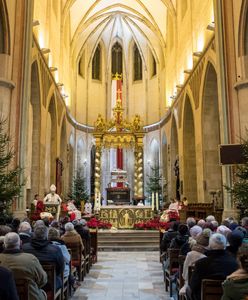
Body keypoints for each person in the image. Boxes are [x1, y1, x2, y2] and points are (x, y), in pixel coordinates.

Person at [189, 233, 238, 300]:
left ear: (210, 246)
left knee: (188, 289)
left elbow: (193, 286)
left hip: (204, 297)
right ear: (225, 245)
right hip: (228, 297)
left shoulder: (201, 263)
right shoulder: (235, 263)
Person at [0, 232, 47, 300]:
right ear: (21, 243)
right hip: (31, 296)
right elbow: (43, 280)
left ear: (4, 245)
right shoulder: (31, 259)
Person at [22, 224, 64, 290]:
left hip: (31, 283)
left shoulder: (24, 247)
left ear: (33, 234)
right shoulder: (55, 249)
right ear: (46, 235)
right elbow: (61, 267)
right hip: (50, 284)